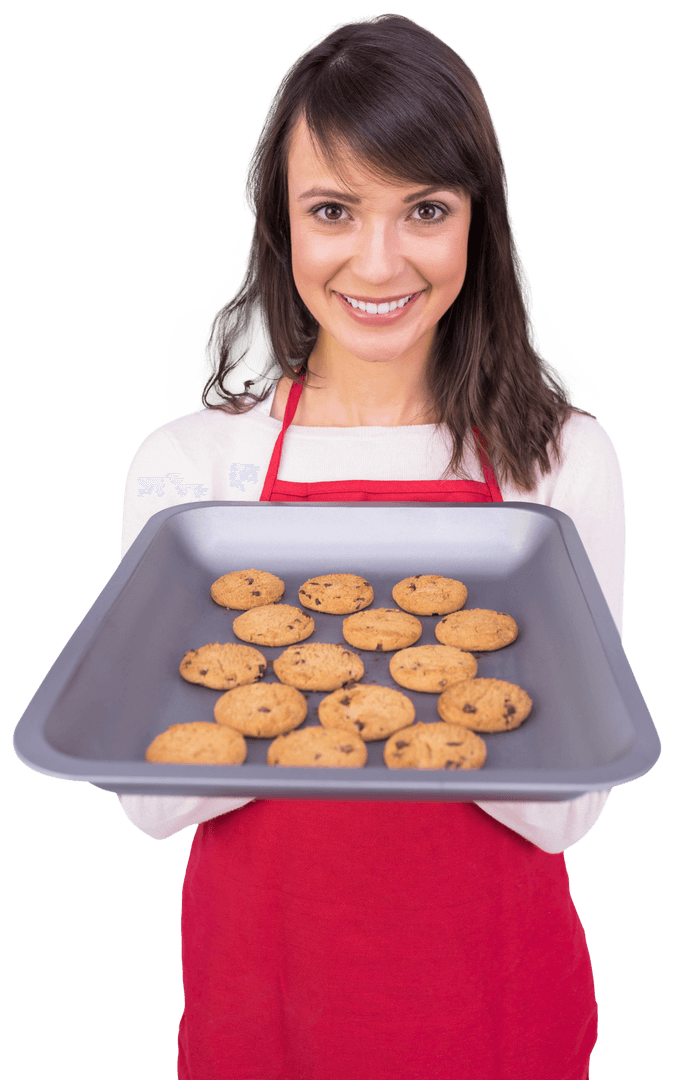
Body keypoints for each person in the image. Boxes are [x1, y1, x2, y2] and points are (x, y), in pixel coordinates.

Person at [117, 14, 625, 1079]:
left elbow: (567, 811)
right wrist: (360, 695)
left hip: (496, 1003)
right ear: (280, 225)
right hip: (264, 1005)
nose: (377, 260)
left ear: (477, 225)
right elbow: (153, 799)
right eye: (333, 210)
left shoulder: (561, 462)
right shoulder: (193, 466)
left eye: (425, 209)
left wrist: (357, 693)